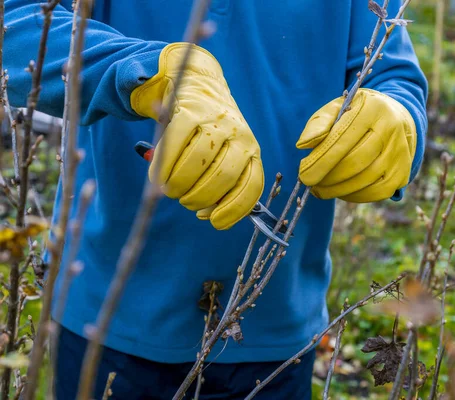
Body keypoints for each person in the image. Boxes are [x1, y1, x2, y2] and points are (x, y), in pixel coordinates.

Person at [5, 0, 427, 399]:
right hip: (106, 317)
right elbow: (17, 25)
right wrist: (144, 74)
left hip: (277, 329)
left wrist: (398, 116)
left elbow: (391, 71)